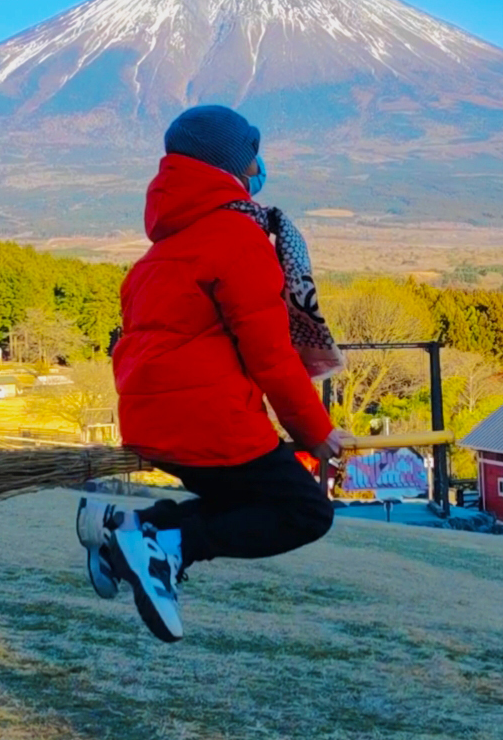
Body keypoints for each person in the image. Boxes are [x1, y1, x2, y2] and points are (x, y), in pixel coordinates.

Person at [75, 104, 351, 643]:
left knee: (238, 501)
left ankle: (132, 531)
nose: (259, 170)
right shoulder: (239, 239)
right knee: (304, 512)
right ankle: (162, 544)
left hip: (153, 428)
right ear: (234, 167)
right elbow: (270, 356)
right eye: (252, 159)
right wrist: (315, 432)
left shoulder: (155, 256)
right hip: (210, 423)